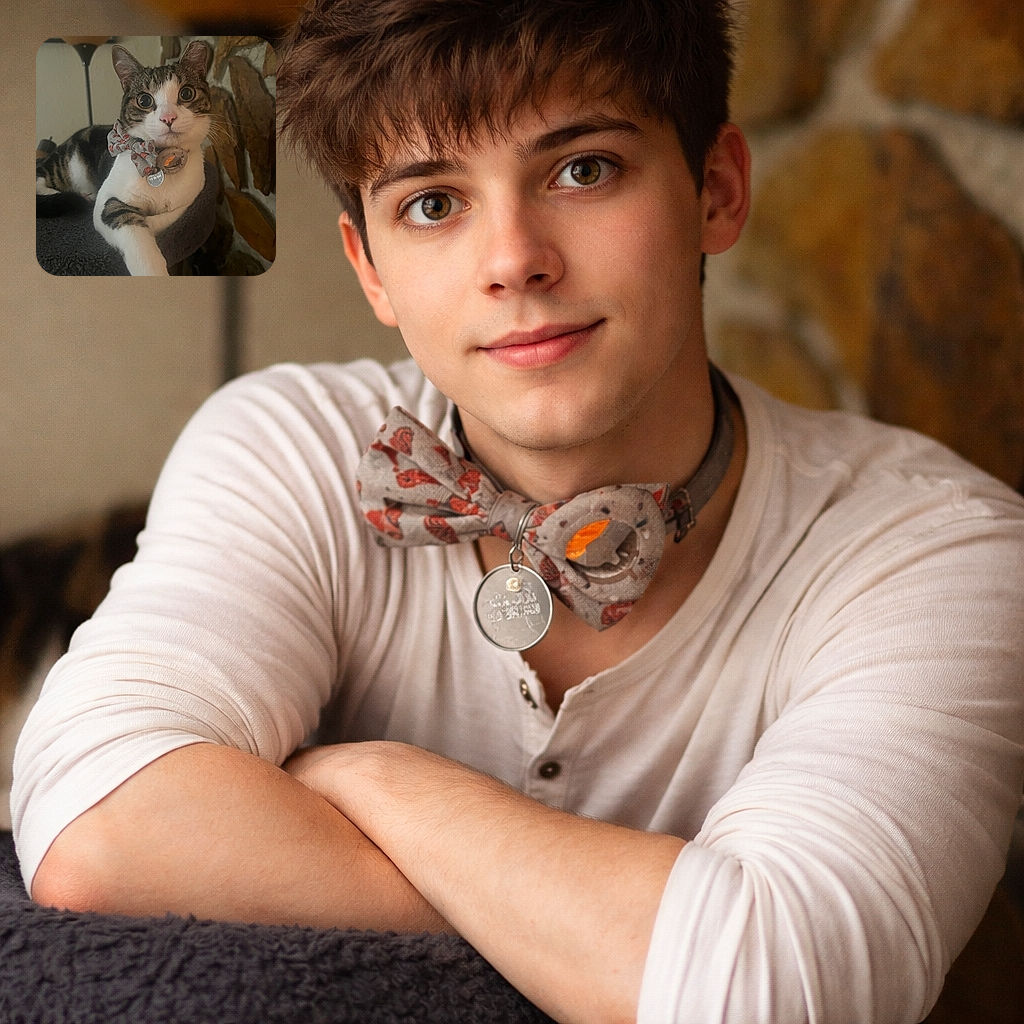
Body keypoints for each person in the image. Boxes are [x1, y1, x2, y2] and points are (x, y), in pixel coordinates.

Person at [12, 2, 1024, 1021]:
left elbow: (770, 990)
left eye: (581, 170)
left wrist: (376, 778)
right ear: (371, 268)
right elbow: (96, 827)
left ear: (715, 191)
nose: (514, 259)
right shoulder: (294, 444)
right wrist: (609, 941)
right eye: (432, 203)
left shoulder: (938, 550)